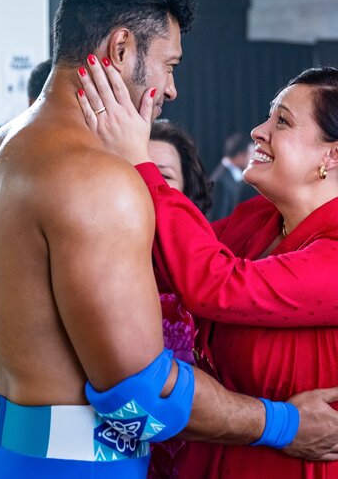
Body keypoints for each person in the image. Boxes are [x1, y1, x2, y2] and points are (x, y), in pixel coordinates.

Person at [0, 0, 338, 478]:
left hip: (0, 452)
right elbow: (140, 396)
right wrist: (286, 423)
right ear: (121, 49)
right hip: (80, 465)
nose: (172, 89)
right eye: (169, 65)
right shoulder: (95, 177)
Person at [80, 64, 338, 477]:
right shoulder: (259, 219)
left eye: (282, 121)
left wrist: (139, 161)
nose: (258, 131)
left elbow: (213, 284)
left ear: (333, 155)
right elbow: (160, 265)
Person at [146, 119, 209, 478]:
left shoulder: (214, 268)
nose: (147, 184)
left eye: (163, 176)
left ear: (187, 191)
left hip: (201, 445)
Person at [208, 133, 253, 220]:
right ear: (240, 156)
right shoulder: (221, 182)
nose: (252, 159)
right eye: (251, 154)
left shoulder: (232, 177)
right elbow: (218, 219)